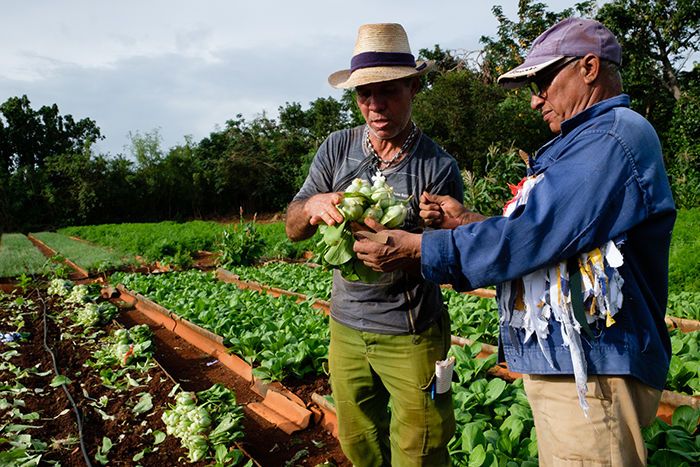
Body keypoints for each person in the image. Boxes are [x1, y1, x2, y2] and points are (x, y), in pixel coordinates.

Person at [354, 17, 676, 466]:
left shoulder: (612, 137)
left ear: (588, 68)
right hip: (578, 369)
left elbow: (532, 234)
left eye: (543, 83)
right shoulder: (588, 140)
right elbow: (559, 239)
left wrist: (417, 248)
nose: (535, 100)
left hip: (594, 373)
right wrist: (467, 221)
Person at [285, 23, 463, 466]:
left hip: (411, 333)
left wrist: (409, 250)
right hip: (346, 327)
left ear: (413, 88)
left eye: (388, 91)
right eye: (365, 94)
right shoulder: (336, 147)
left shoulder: (438, 166)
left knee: (420, 449)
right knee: (358, 441)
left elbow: (453, 260)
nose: (375, 105)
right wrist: (312, 206)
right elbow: (292, 226)